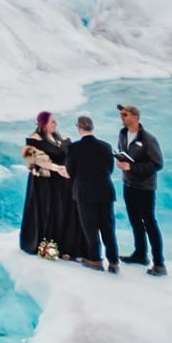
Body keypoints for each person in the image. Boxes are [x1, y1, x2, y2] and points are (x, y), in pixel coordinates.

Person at [18, 111, 83, 259]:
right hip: (44, 183)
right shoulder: (33, 139)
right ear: (44, 123)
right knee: (47, 211)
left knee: (63, 211)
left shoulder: (60, 137)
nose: (56, 124)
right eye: (53, 122)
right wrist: (57, 168)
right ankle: (46, 246)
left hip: (62, 181)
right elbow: (33, 158)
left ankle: (65, 246)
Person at [115, 103, 166, 276]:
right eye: (121, 114)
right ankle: (140, 254)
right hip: (128, 184)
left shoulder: (148, 140)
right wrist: (121, 163)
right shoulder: (122, 134)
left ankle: (159, 263)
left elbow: (157, 164)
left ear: (136, 117)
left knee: (149, 223)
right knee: (135, 220)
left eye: (125, 115)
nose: (122, 117)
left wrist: (132, 168)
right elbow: (123, 154)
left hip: (145, 188)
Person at [64, 114, 120, 272]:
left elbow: (70, 171)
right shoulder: (106, 146)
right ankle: (114, 261)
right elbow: (110, 169)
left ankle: (95, 259)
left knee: (91, 228)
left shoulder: (74, 148)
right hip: (105, 190)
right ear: (92, 128)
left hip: (85, 192)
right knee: (108, 228)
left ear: (79, 128)